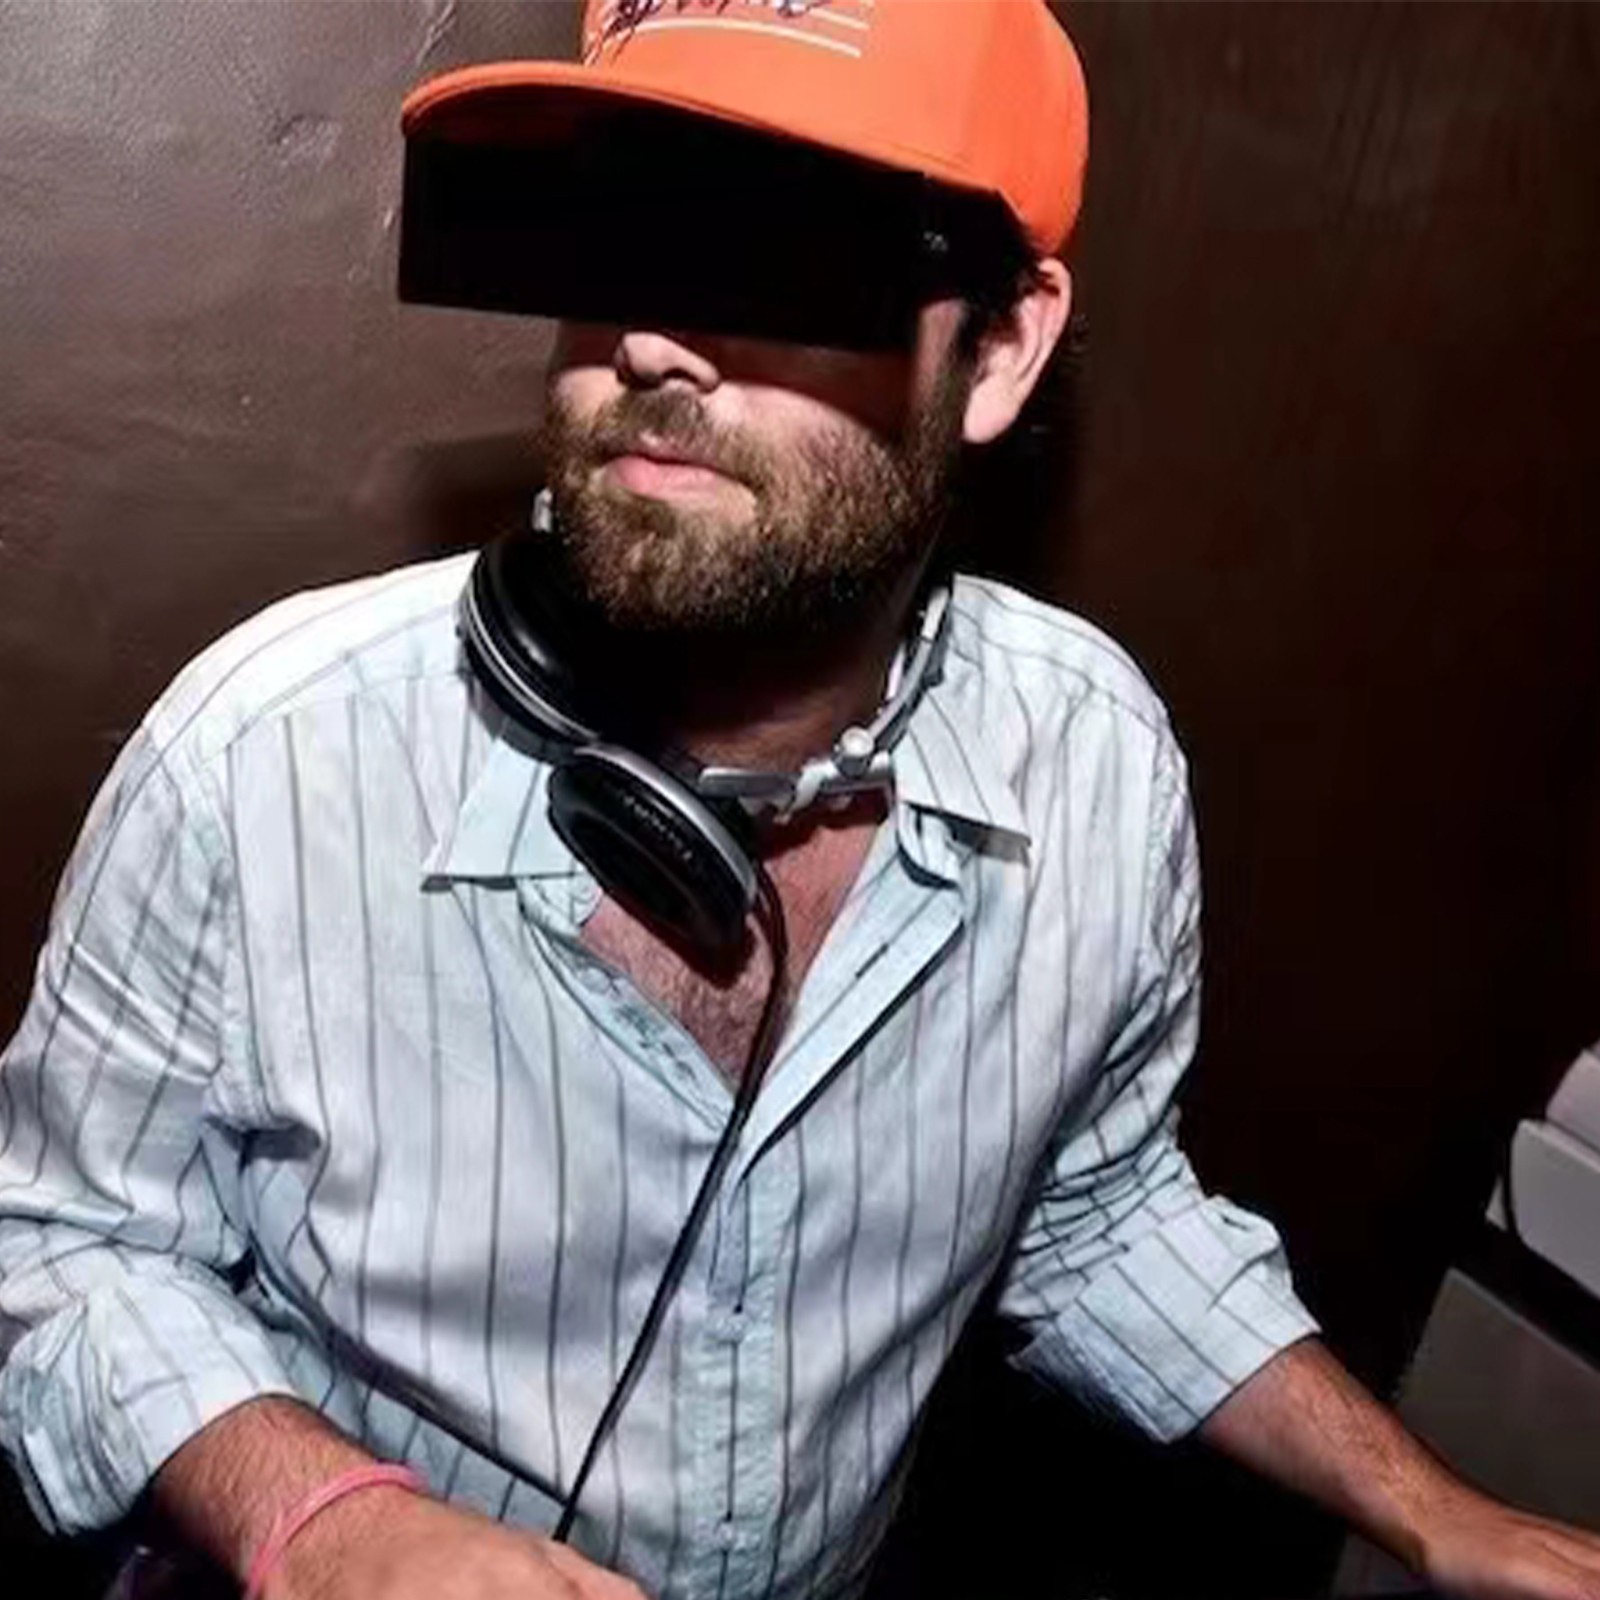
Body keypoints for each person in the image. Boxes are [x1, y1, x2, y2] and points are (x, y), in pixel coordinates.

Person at [1, 3, 1598, 1598]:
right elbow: (62, 1250)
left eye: (779, 247)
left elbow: (1097, 1215)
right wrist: (323, 1520)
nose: (652, 343)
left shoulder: (1092, 761)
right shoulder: (266, 751)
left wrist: (1429, 1511)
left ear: (1001, 347)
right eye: (614, 235)